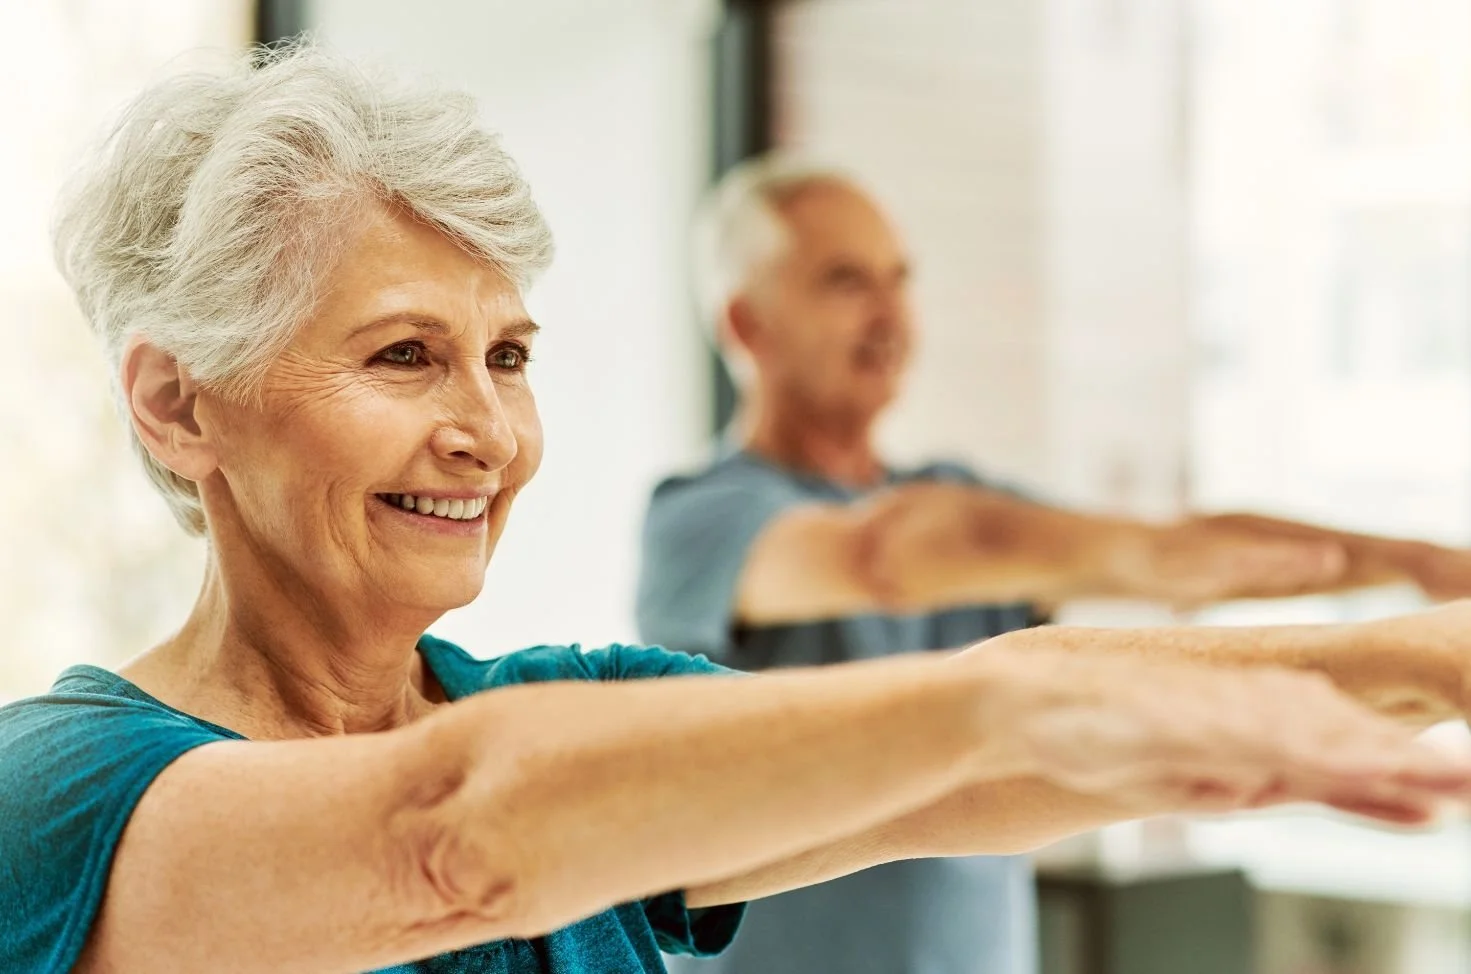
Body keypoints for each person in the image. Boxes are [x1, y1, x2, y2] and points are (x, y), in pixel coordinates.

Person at [4, 44, 1470, 974]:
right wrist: (1007, 707)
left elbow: (964, 757)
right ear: (178, 403)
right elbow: (444, 837)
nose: (487, 433)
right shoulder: (59, 788)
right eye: (403, 356)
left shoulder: (562, 713)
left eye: (506, 359)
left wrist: (1416, 656)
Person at [636, 155, 1471, 974]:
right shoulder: (701, 519)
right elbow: (883, 558)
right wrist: (1141, 557)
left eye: (900, 279)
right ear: (747, 325)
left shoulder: (957, 497)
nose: (892, 315)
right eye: (846, 282)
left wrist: (1425, 565)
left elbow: (1176, 549)